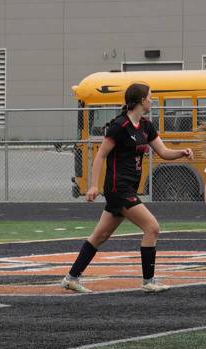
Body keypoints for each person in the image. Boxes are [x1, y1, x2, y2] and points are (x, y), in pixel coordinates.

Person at [62, 82, 190, 294]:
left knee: (100, 236)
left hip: (128, 188)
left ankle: (70, 278)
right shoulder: (119, 126)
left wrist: (182, 153)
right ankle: (149, 281)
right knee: (152, 227)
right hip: (118, 189)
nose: (152, 100)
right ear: (140, 100)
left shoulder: (147, 126)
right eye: (150, 96)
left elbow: (164, 152)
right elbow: (100, 155)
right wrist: (93, 185)